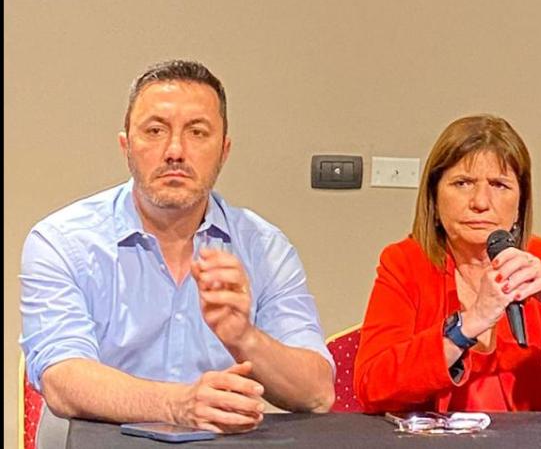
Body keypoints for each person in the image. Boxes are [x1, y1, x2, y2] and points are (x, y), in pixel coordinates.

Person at [19, 60, 336, 438]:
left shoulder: (265, 247)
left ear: (224, 150)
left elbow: (317, 394)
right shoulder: (62, 241)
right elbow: (63, 378)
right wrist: (177, 404)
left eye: (197, 132)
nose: (175, 151)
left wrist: (245, 338)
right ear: (126, 146)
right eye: (155, 131)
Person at [354, 114, 541, 413]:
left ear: (520, 205)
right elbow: (372, 389)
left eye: (499, 185)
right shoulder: (404, 263)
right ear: (434, 197)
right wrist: (469, 324)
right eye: (463, 183)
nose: (480, 201)